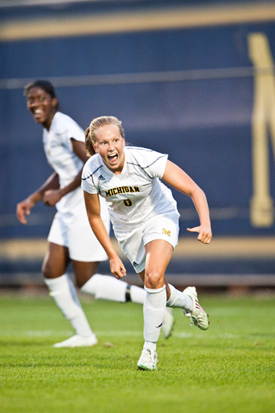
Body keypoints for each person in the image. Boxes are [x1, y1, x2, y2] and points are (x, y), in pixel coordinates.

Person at [16, 81, 174, 348]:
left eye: (41, 98)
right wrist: (34, 197)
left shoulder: (64, 126)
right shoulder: (49, 130)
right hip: (66, 209)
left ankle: (155, 300)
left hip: (82, 207)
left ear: (53, 101)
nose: (36, 104)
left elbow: (89, 165)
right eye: (31, 100)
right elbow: (63, 170)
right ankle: (84, 334)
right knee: (51, 270)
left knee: (85, 280)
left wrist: (62, 193)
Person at [82, 116, 212, 371]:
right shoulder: (91, 171)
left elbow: (194, 190)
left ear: (123, 140)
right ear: (95, 147)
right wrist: (111, 255)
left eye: (116, 140)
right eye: (104, 143)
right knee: (156, 287)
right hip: (127, 231)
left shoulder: (144, 159)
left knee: (153, 277)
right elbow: (94, 216)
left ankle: (149, 351)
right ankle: (188, 302)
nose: (111, 147)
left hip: (159, 217)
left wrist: (205, 223)